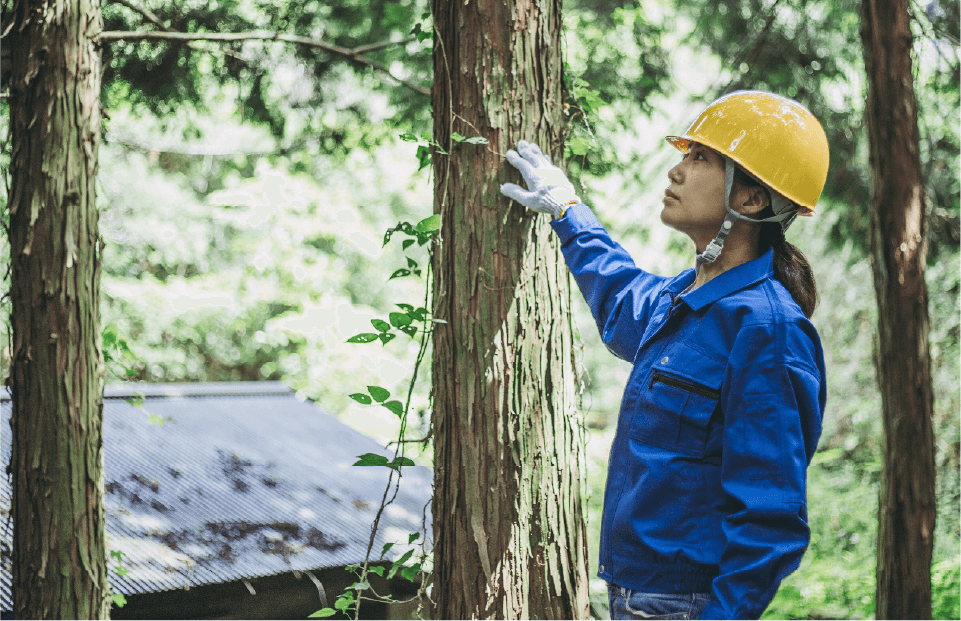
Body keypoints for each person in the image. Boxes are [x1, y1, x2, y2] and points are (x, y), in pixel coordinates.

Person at [500, 90, 828, 621]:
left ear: (750, 200)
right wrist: (568, 211)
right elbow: (620, 292)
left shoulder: (767, 329)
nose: (676, 170)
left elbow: (770, 519)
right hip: (633, 593)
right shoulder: (685, 297)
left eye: (700, 158)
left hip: (683, 605)